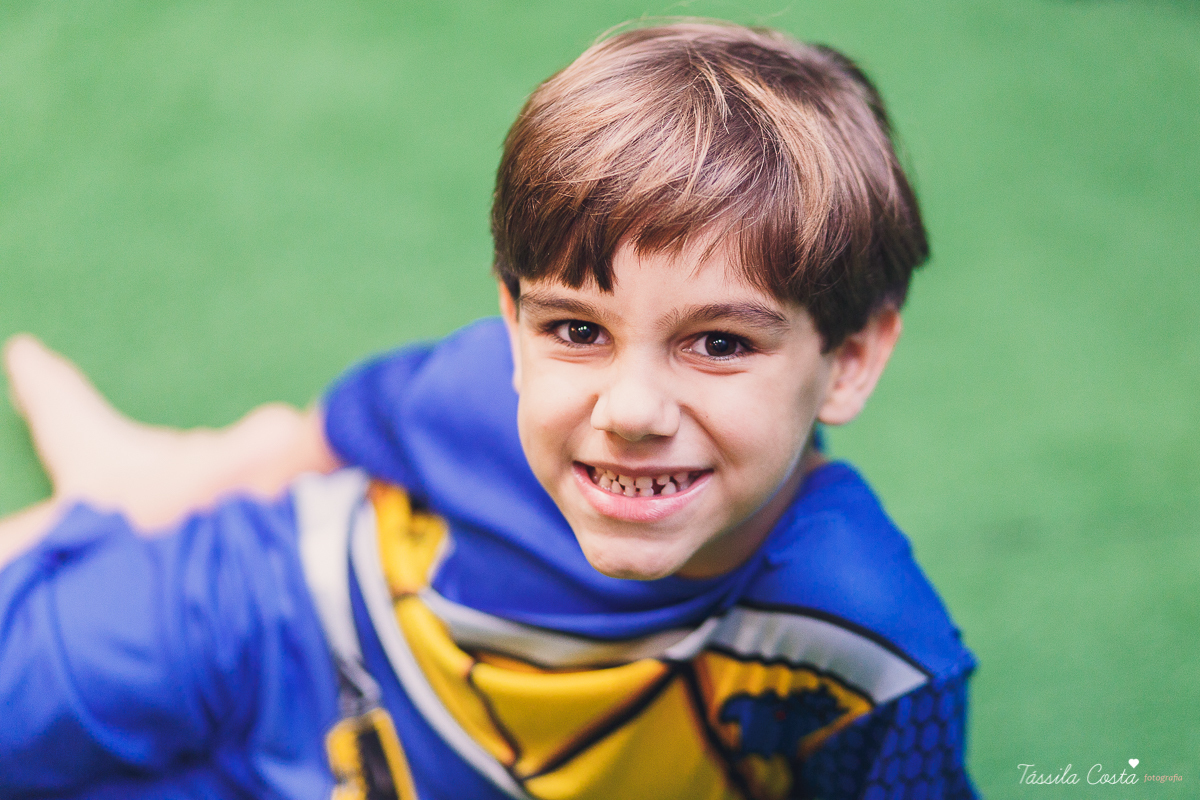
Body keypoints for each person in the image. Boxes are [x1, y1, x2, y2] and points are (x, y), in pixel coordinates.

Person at [0, 20, 978, 800]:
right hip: (267, 615)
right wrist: (135, 489)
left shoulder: (872, 648)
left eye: (719, 341)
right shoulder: (475, 388)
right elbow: (306, 439)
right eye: (576, 329)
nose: (630, 408)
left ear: (849, 357)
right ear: (513, 321)